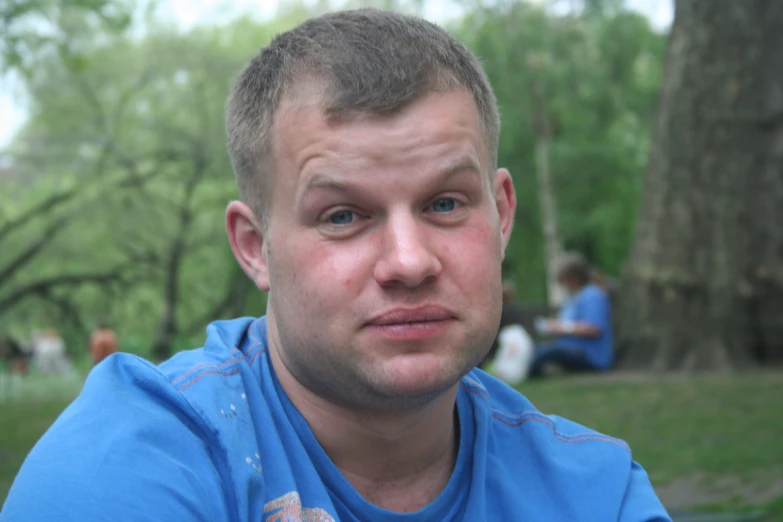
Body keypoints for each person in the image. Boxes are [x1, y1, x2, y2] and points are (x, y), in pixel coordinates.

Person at [1, 10, 670, 521]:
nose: (409, 262)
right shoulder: (128, 468)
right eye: (343, 216)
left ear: (500, 214)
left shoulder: (594, 493)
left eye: (444, 203)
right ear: (254, 246)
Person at [530, 252, 614, 377]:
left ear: (573, 277)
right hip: (571, 349)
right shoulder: (571, 298)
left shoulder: (592, 295)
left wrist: (564, 328)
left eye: (562, 279)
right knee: (535, 349)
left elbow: (594, 329)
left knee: (544, 353)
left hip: (590, 355)